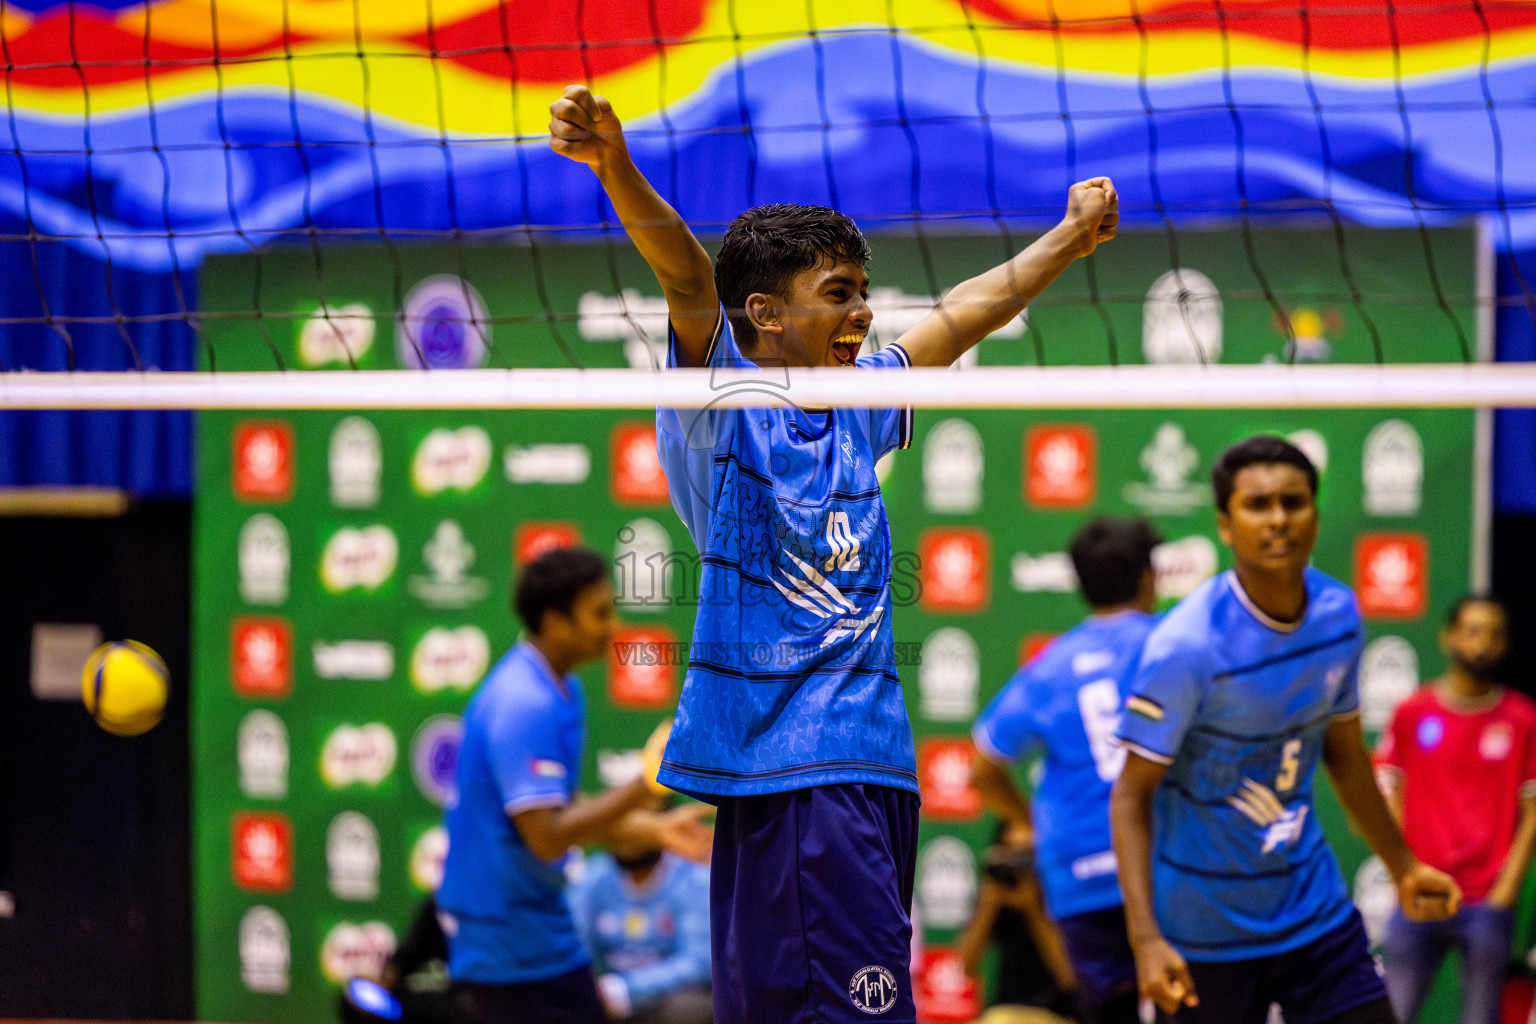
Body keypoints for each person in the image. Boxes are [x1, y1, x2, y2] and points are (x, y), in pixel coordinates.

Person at [549, 84, 1117, 1024]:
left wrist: (1067, 236)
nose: (862, 314)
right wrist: (615, 163)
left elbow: (964, 313)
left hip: (861, 774)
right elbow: (690, 281)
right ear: (764, 314)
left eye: (864, 292)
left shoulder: (861, 400)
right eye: (839, 294)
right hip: (786, 777)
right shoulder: (718, 407)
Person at [1109, 435, 1462, 1024]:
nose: (1278, 520)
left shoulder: (1338, 615)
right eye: (1258, 505)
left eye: (1294, 502)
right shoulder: (1185, 647)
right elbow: (1129, 796)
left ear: (1316, 514)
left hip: (1312, 914)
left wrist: (1402, 866)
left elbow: (1346, 757)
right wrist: (1145, 939)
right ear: (1225, 524)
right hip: (1203, 933)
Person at [437, 546, 713, 1024]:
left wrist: (650, 830)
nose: (614, 626)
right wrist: (648, 784)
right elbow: (546, 835)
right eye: (599, 613)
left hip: (538, 932)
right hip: (509, 947)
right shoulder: (524, 702)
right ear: (555, 621)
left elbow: (560, 808)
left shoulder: (560, 687)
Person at [971, 516, 1161, 1024]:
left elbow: (984, 767)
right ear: (1149, 577)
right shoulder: (1172, 644)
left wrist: (1031, 824)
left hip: (1079, 877)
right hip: (1160, 868)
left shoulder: (1050, 667)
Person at [1374, 594, 1536, 1024]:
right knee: (1393, 1012)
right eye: (1472, 631)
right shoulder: (1413, 712)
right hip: (1421, 893)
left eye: (1494, 634)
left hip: (1487, 901)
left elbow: (1533, 812)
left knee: (1481, 1019)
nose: (1482, 644)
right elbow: (1392, 795)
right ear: (1449, 637)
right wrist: (1400, 871)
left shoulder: (1523, 719)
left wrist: (1506, 891)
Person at [569, 801, 713, 1024]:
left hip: (668, 1001)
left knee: (688, 1009)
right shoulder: (594, 878)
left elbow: (700, 963)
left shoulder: (694, 876)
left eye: (639, 822)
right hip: (612, 1003)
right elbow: (575, 946)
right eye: (621, 822)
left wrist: (624, 990)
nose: (629, 836)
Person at [956, 821, 1083, 1023]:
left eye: (1024, 857)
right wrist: (990, 903)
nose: (1017, 870)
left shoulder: (1060, 893)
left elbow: (1069, 978)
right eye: (1009, 856)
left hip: (1058, 1012)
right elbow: (964, 965)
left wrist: (1035, 910)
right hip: (1003, 1011)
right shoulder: (994, 895)